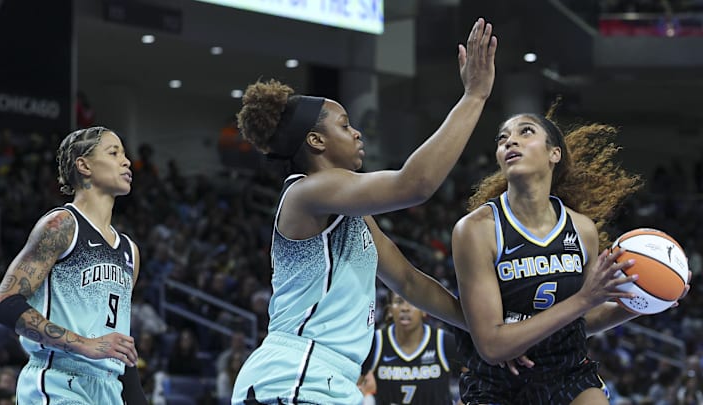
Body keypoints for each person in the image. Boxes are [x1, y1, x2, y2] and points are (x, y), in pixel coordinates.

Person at [231, 17, 498, 405]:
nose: (357, 132)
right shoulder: (307, 192)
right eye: (345, 125)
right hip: (295, 374)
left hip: (326, 379)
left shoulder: (350, 213)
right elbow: (415, 184)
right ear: (316, 140)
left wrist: (484, 330)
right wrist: (473, 97)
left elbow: (408, 282)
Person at [451, 107, 693, 404]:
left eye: (525, 131)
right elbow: (492, 346)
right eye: (502, 138)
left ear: (555, 154)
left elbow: (583, 321)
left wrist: (648, 299)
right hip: (497, 379)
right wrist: (583, 300)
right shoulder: (476, 230)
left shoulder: (582, 230)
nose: (509, 141)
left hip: (565, 370)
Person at [0, 126, 147, 404]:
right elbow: (5, 304)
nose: (126, 161)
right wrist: (85, 345)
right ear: (84, 165)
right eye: (113, 152)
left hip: (109, 389)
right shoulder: (61, 225)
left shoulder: (130, 252)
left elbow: (120, 348)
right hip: (59, 380)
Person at [360, 291, 462, 405]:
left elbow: (474, 374)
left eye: (412, 302)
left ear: (424, 310)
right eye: (399, 302)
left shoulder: (443, 342)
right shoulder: (375, 342)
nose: (405, 308)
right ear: (389, 311)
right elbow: (353, 383)